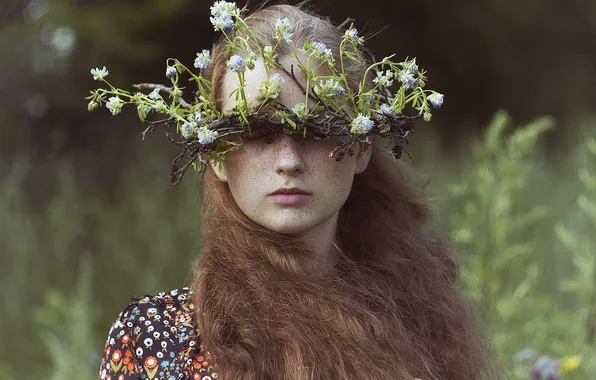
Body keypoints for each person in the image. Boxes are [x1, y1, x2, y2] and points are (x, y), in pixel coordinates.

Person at [97, 2, 499, 380]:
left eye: (316, 130)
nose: (288, 160)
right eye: (256, 133)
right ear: (216, 154)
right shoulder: (157, 339)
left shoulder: (422, 325)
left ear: (360, 147)